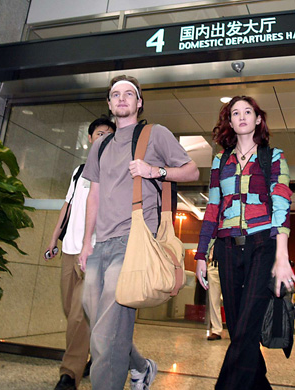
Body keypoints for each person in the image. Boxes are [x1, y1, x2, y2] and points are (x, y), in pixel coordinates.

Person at [78, 75, 199, 390]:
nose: (121, 99)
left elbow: (192, 170)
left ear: (139, 102)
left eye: (128, 93)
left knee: (105, 334)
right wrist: (84, 244)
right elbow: (94, 195)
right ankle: (142, 367)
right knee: (99, 324)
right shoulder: (100, 145)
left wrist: (154, 171)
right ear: (109, 103)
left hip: (133, 243)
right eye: (115, 94)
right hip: (100, 244)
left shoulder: (154, 134)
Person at [195, 95, 294, 390]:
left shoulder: (274, 157)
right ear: (229, 121)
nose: (241, 117)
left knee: (246, 326)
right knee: (240, 328)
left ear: (258, 119)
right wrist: (202, 253)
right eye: (234, 113)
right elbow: (213, 207)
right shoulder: (220, 161)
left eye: (247, 112)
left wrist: (282, 255)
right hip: (226, 248)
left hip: (262, 245)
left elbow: (282, 207)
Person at [44, 117, 116, 390]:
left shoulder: (114, 173)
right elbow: (67, 207)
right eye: (99, 134)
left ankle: (68, 374)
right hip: (69, 250)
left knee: (78, 315)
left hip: (95, 253)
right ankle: (89, 354)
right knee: (70, 310)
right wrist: (54, 238)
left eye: (109, 135)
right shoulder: (79, 171)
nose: (104, 138)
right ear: (90, 138)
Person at [206, 245, 223, 341]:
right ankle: (216, 330)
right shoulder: (210, 231)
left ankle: (236, 329)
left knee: (232, 300)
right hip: (213, 266)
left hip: (229, 265)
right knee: (213, 300)